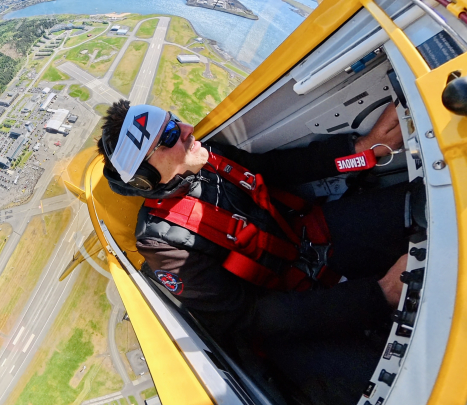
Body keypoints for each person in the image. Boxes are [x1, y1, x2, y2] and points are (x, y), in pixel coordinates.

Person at [97, 99, 422, 405]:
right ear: (145, 178)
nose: (186, 129)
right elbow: (249, 318)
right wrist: (377, 295)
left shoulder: (207, 156)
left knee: (420, 204)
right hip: (280, 323)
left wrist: (361, 148)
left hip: (308, 243)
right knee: (394, 388)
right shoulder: (161, 244)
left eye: (173, 119)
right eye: (169, 135)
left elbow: (273, 168)